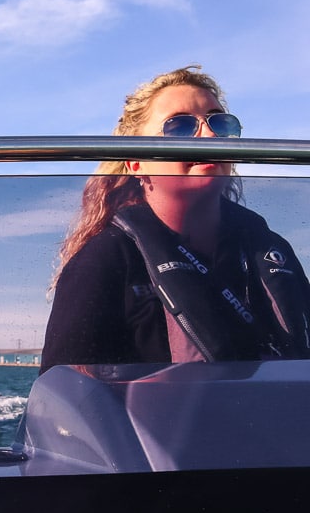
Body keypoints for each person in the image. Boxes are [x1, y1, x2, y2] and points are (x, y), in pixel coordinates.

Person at [40, 65, 310, 373]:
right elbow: (60, 397)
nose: (209, 136)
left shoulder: (275, 253)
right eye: (180, 127)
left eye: (220, 123)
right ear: (135, 162)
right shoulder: (106, 260)